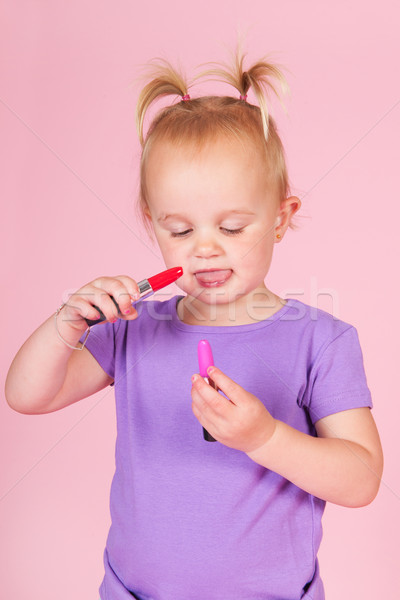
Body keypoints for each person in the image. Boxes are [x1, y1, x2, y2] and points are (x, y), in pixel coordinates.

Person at [5, 49, 383, 600]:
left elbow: (362, 479)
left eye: (231, 227)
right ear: (151, 224)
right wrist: (64, 327)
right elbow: (27, 396)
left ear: (281, 218)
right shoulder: (133, 328)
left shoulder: (320, 341)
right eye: (179, 230)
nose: (205, 249)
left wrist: (266, 437)